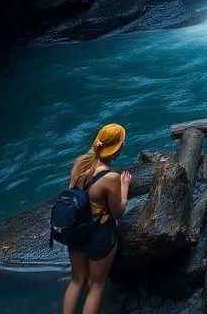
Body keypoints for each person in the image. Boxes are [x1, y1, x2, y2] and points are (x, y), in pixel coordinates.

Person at [63, 123, 132, 314]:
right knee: (96, 285)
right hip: (98, 235)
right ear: (116, 149)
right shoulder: (110, 177)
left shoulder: (80, 164)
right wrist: (124, 186)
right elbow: (118, 212)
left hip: (75, 230)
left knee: (77, 280)